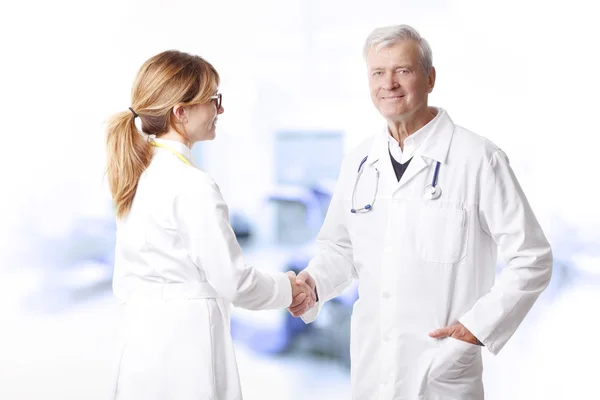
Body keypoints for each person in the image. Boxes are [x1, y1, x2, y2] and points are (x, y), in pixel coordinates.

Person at [287, 25, 553, 399]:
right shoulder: (360, 161)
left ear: (429, 78)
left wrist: (477, 327)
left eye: (403, 71)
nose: (389, 83)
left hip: (442, 368)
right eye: (378, 73)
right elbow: (341, 250)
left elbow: (533, 258)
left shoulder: (478, 159)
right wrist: (314, 285)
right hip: (372, 368)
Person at [105, 50, 314, 400]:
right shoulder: (192, 185)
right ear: (181, 111)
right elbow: (234, 282)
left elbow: (123, 283)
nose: (220, 110)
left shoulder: (136, 177)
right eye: (213, 100)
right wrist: (289, 288)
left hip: (141, 350)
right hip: (187, 354)